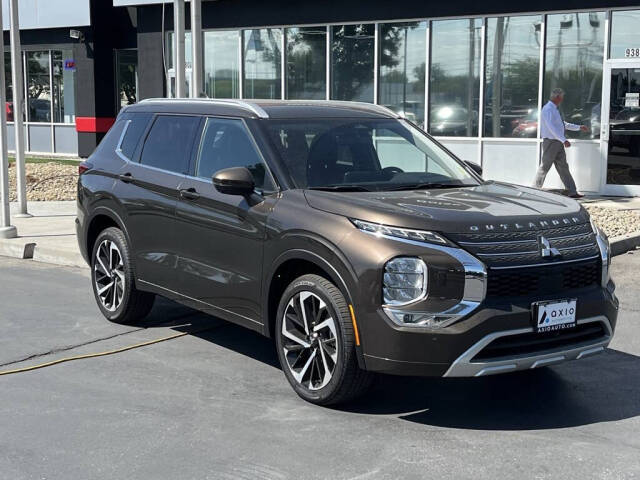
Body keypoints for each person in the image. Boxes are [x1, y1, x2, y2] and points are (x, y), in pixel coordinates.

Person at [533, 88, 589, 199]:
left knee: (563, 167)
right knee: (545, 167)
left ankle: (572, 191)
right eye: (562, 97)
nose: (562, 99)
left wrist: (578, 127)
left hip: (557, 142)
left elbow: (562, 124)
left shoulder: (554, 109)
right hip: (551, 142)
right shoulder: (548, 109)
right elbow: (551, 127)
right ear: (557, 97)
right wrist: (564, 140)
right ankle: (534, 191)